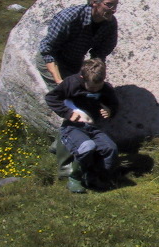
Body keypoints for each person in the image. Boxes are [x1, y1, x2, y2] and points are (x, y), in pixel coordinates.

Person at [45, 58, 120, 193]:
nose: (95, 90)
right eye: (91, 87)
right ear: (82, 77)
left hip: (94, 128)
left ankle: (96, 177)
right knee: (87, 146)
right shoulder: (72, 83)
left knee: (110, 148)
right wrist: (68, 113)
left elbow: (114, 104)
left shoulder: (106, 88)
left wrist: (110, 110)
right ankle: (75, 178)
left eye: (98, 86)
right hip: (73, 127)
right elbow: (51, 97)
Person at [38, 0, 121, 89]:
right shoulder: (69, 18)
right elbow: (47, 50)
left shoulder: (110, 24)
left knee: (85, 92)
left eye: (115, 5)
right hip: (52, 60)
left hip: (74, 61)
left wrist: (95, 78)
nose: (114, 10)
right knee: (63, 93)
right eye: (109, 5)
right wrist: (59, 81)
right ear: (94, 2)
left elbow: (100, 54)